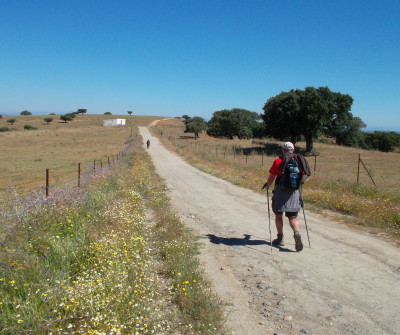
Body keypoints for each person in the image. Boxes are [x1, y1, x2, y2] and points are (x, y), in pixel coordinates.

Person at [262, 142, 310, 252]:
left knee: (278, 216)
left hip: (280, 191)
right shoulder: (299, 160)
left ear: (283, 150)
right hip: (293, 192)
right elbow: (304, 177)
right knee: (293, 217)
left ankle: (280, 238)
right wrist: (299, 182)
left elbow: (271, 177)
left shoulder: (278, 160)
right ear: (293, 150)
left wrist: (267, 186)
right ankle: (297, 233)